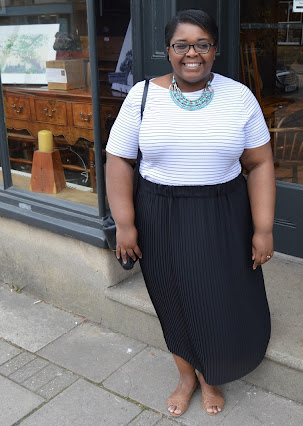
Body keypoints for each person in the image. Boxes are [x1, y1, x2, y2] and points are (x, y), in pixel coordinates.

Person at [105, 9, 275, 417]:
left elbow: (260, 164)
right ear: (168, 50)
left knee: (219, 297)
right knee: (171, 298)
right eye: (181, 45)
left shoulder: (239, 97)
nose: (192, 53)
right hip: (159, 213)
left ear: (215, 50)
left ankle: (210, 374)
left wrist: (263, 228)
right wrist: (125, 224)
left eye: (202, 44)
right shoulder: (142, 96)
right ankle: (186, 376)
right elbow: (119, 160)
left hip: (223, 212)